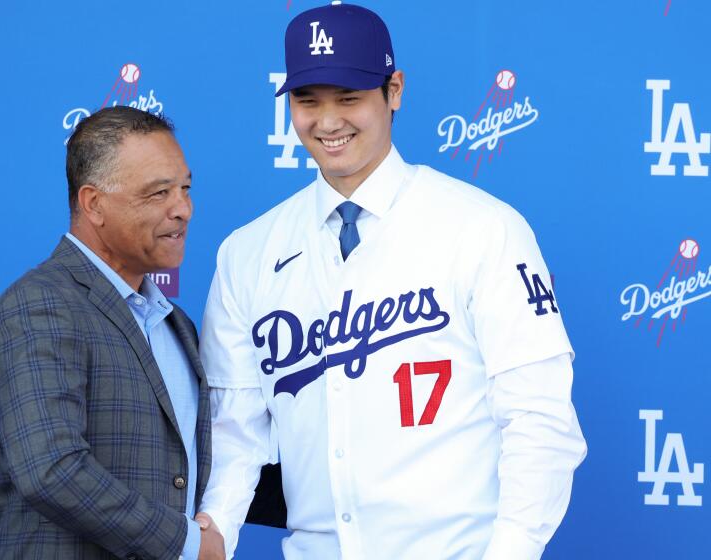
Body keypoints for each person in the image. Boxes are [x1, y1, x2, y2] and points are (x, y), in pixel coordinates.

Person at [196, 3, 587, 559]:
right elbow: (236, 431)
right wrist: (213, 537)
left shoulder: (482, 228)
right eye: (308, 101)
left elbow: (540, 420)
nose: (327, 122)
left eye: (348, 98)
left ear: (394, 90)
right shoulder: (247, 253)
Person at [0, 106, 224, 560]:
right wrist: (187, 543)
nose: (183, 209)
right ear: (93, 203)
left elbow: (187, 472)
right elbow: (51, 469)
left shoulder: (178, 326)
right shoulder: (40, 304)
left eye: (185, 189)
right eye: (158, 193)